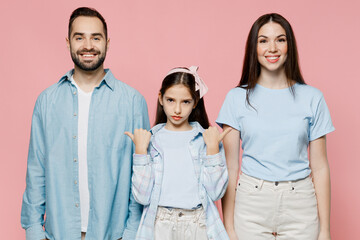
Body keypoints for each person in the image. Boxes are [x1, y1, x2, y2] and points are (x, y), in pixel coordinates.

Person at [21, 7, 150, 240]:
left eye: (96, 38)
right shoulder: (47, 101)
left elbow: (140, 171)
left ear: (107, 43)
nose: (88, 46)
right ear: (68, 42)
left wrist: (131, 233)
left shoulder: (132, 102)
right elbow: (36, 169)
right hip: (57, 234)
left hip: (115, 235)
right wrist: (33, 230)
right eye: (79, 37)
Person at [217, 13, 334, 240]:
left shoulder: (312, 97)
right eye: (263, 40)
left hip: (300, 202)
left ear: (289, 45)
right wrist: (228, 227)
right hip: (251, 202)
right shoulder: (236, 98)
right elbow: (230, 168)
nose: (272, 48)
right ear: (254, 47)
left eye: (280, 39)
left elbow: (320, 167)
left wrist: (325, 230)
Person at [125, 66, 230, 240]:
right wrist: (141, 152)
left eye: (186, 102)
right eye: (171, 100)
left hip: (198, 224)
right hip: (160, 225)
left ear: (195, 102)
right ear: (160, 98)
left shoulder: (205, 139)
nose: (177, 110)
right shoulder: (151, 140)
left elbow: (216, 193)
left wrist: (212, 150)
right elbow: (142, 197)